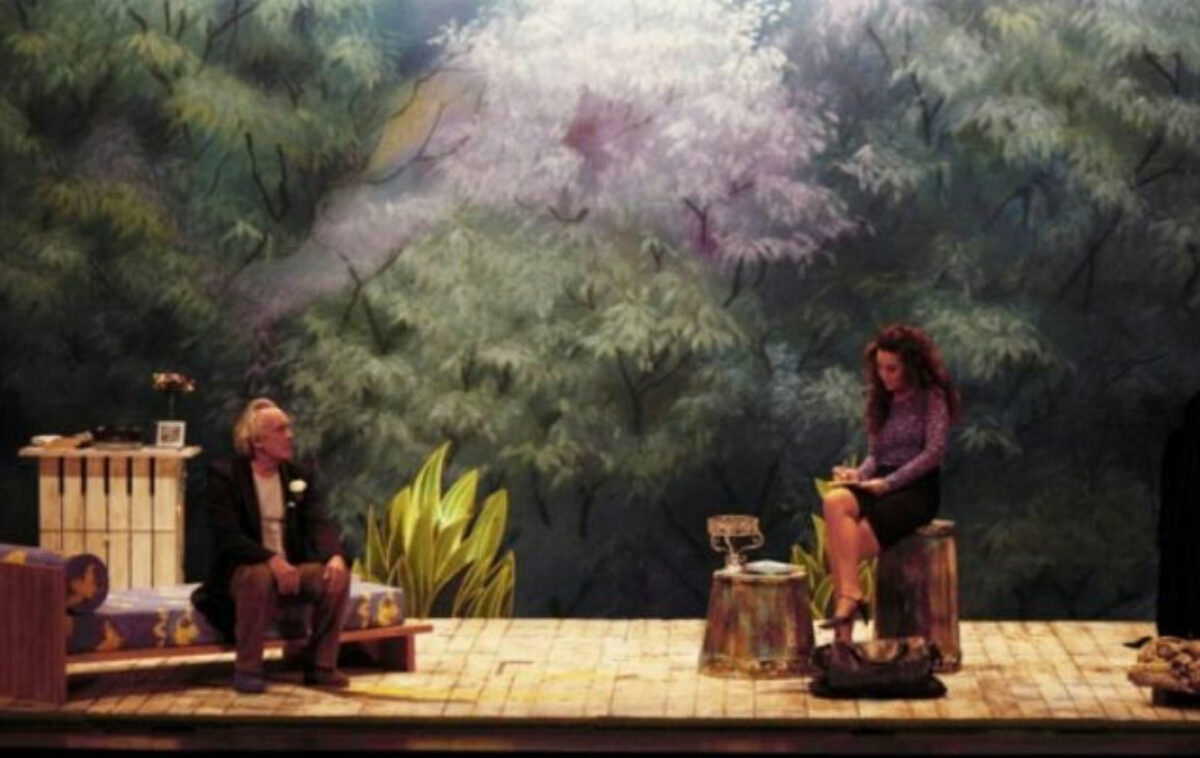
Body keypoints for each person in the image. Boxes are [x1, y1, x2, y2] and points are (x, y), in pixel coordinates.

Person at [191, 398, 352, 693]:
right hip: (242, 572)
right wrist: (271, 560)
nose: (290, 435)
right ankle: (248, 669)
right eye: (280, 430)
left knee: (335, 576)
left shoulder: (298, 475)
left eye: (288, 428)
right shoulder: (226, 475)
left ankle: (321, 666)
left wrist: (335, 556)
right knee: (259, 575)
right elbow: (228, 536)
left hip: (290, 569)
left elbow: (319, 523)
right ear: (257, 442)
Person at [820, 324, 959, 644]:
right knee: (834, 500)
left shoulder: (932, 397)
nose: (884, 375)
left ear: (911, 365)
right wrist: (858, 476)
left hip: (915, 489)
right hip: (878, 482)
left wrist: (889, 483)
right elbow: (875, 455)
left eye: (892, 368)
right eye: (880, 368)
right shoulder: (882, 400)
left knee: (843, 549)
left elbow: (934, 453)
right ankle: (852, 596)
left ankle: (842, 640)